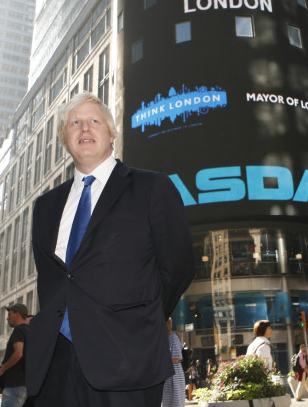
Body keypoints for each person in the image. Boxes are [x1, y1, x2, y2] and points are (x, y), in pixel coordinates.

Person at [26, 92, 194, 407]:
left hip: (127, 359)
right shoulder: (45, 206)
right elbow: (52, 279)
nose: (84, 129)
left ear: (112, 134)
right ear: (65, 140)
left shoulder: (151, 188)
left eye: (94, 121)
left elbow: (178, 266)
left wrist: (139, 320)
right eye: (74, 123)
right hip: (53, 363)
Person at [0, 303, 30, 407]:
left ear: (17, 314)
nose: (7, 319)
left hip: (15, 385)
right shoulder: (27, 331)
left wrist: (2, 370)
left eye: (9, 315)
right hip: (21, 383)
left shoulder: (19, 330)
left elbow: (18, 353)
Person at [161, 318, 185, 407]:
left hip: (175, 376)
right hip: (166, 377)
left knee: (176, 402)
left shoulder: (173, 338)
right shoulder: (162, 339)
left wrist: (161, 360)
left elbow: (177, 357)